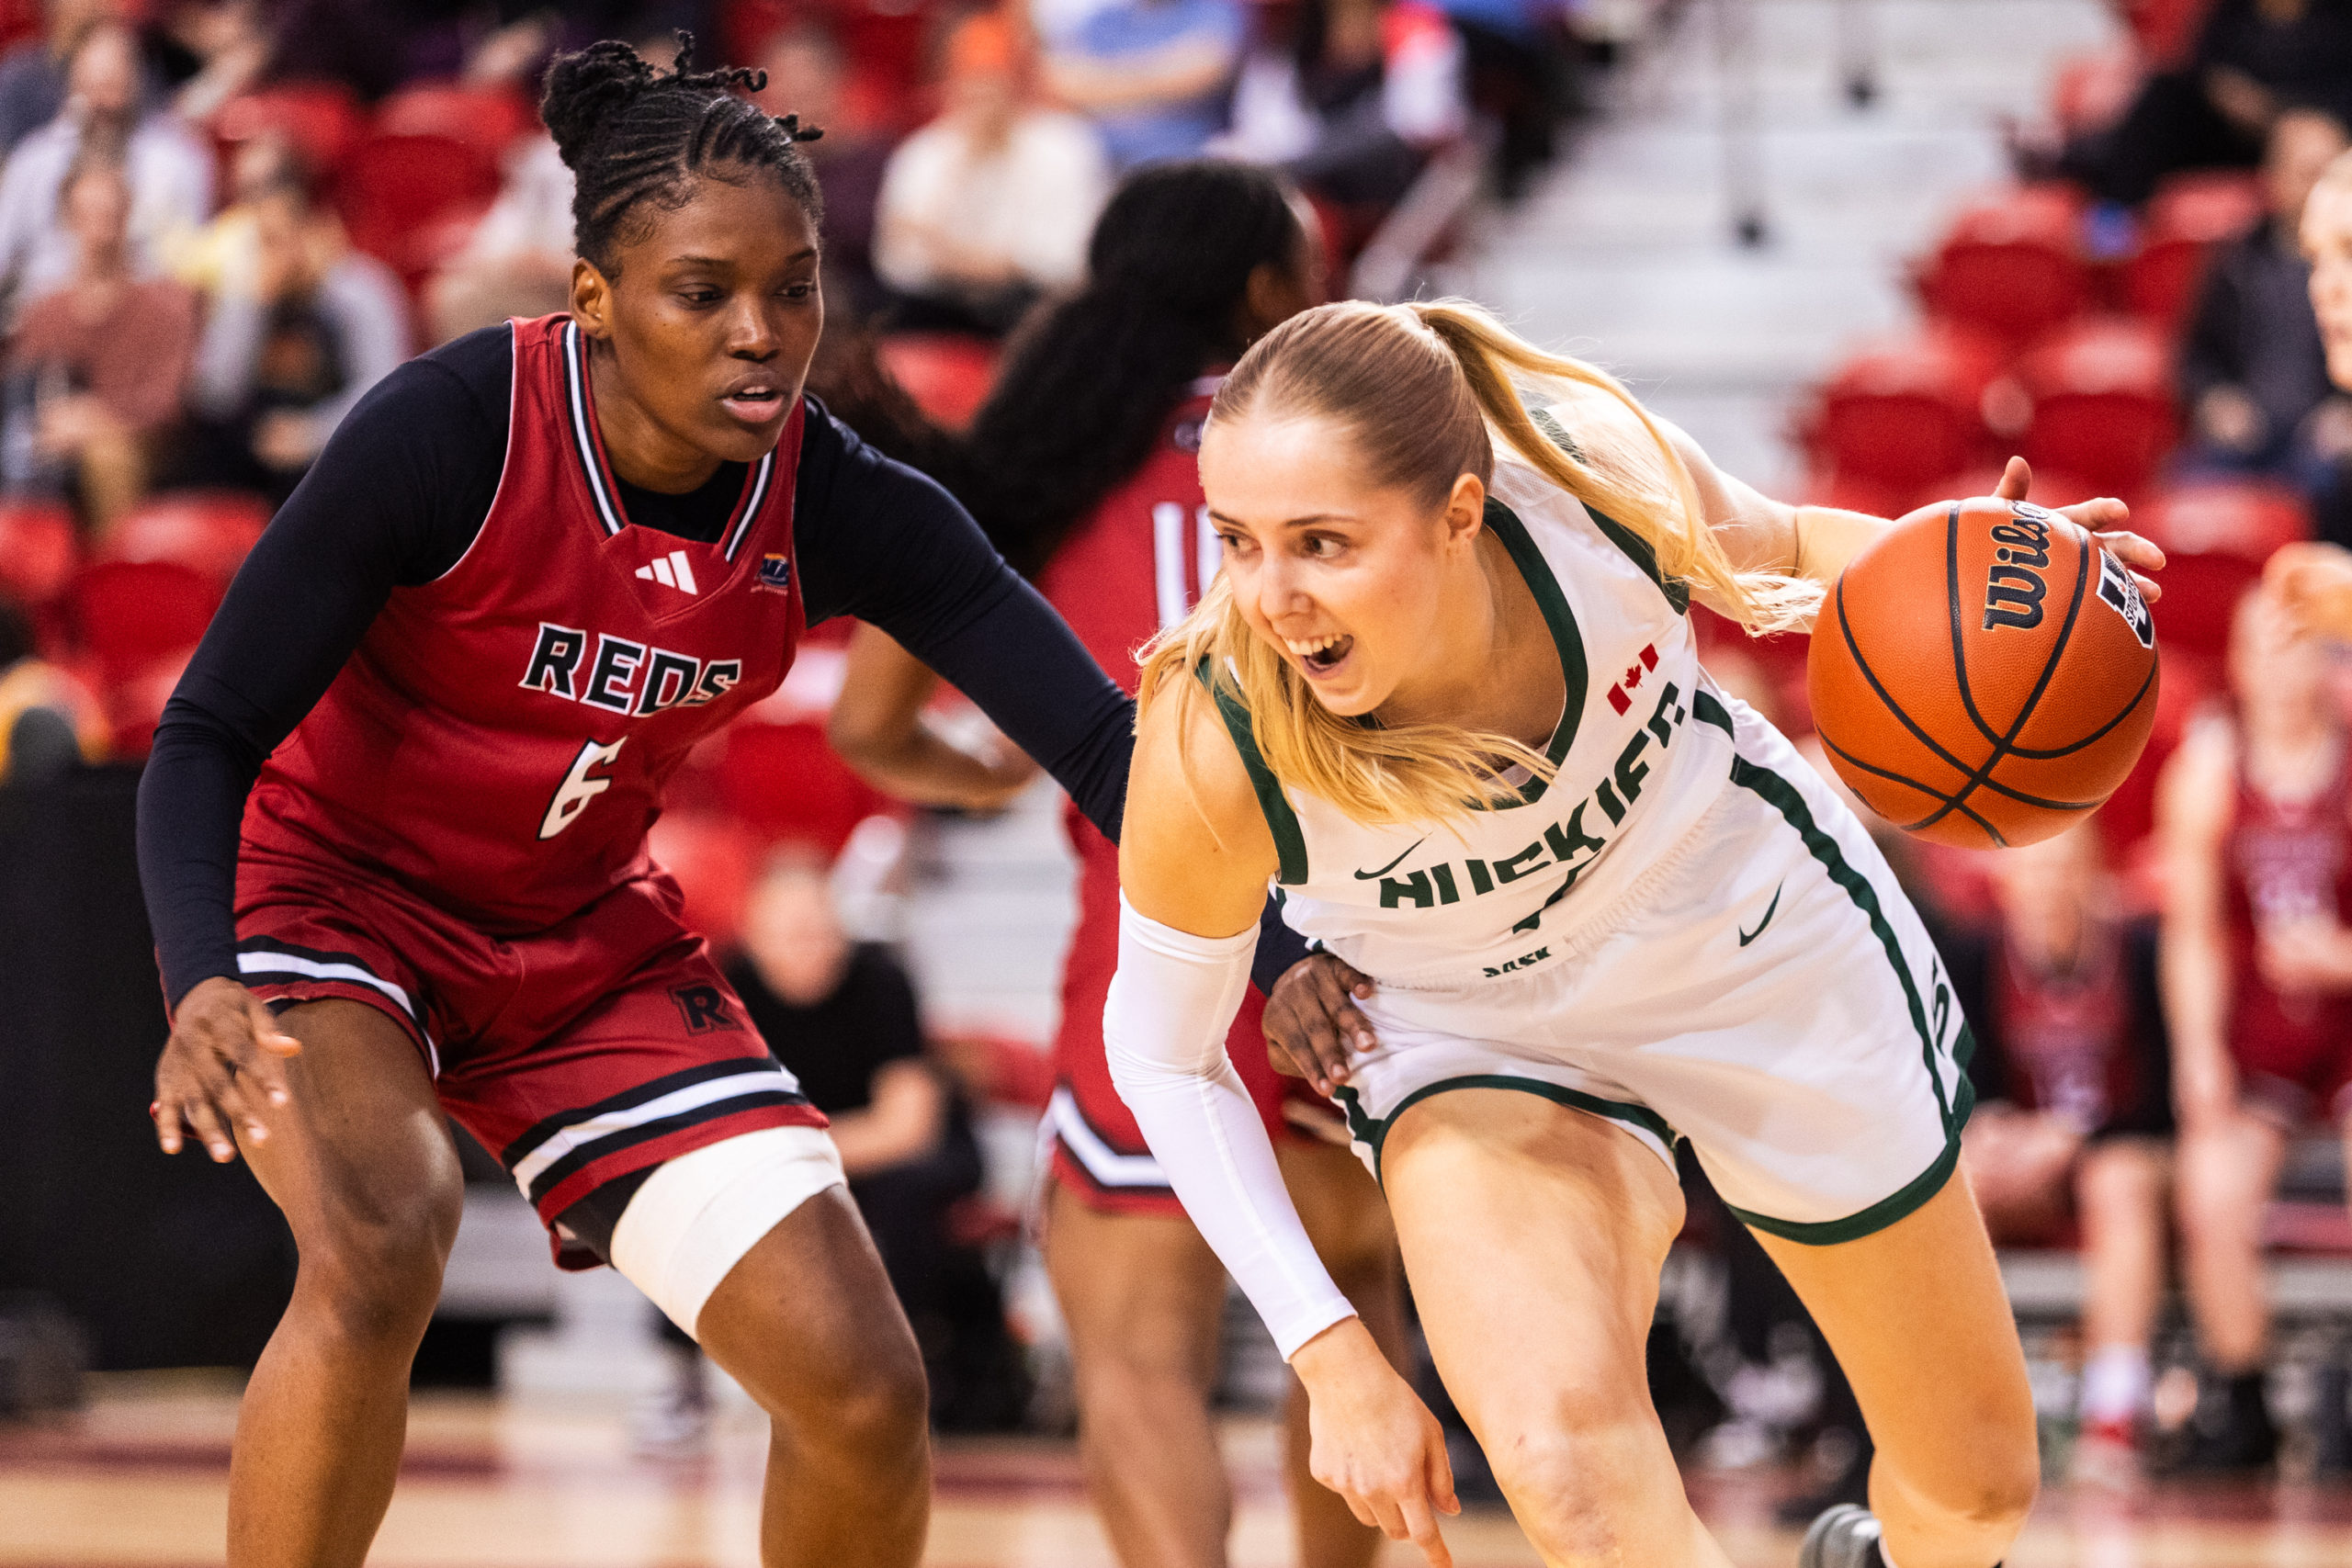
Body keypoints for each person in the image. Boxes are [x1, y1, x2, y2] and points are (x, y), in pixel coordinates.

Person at [131, 39, 1301, 1568]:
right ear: (597, 300)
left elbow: (1100, 744)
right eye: (704, 292)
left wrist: (1291, 953)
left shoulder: (837, 495)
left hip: (576, 944)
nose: (762, 334)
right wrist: (202, 970)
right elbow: (209, 726)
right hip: (335, 899)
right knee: (380, 1234)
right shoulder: (452, 428)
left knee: (866, 1386)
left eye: (797, 288)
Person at [1102, 297, 2164, 1568]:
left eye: (1321, 543)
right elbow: (1164, 1055)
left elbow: (1778, 547)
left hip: (1742, 937)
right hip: (1467, 1027)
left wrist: (1983, 579)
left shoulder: (1583, 475)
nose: (1271, 597)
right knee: (1564, 1468)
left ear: (1459, 507)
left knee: (1977, 1491)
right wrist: (1329, 1350)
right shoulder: (1213, 732)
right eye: (1238, 541)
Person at [829, 160, 1408, 1568]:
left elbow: (866, 727)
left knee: (1137, 1358)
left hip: (1158, 944)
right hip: (1359, 947)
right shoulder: (1345, 453)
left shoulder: (1044, 462)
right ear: (1270, 293)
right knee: (1353, 1317)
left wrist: (1005, 764)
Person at [2156, 586, 2352, 1472]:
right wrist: (2199, 1058)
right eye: (2260, 645)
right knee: (2212, 1184)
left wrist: (2337, 959)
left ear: (2326, 658)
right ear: (2234, 662)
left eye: (2295, 643)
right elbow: (2191, 935)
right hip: (2263, 1031)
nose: (2277, 663)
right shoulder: (2205, 772)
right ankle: (2243, 1399)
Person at [1947, 826, 2173, 1483]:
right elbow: (1962, 1082)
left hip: (2126, 1152)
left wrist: (2074, 1138)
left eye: (2066, 870)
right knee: (1957, 1179)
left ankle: (2114, 1415)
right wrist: (1990, 1127)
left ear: (2095, 878)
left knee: (2119, 1182)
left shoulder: (2140, 951)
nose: (2050, 888)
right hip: (2030, 1162)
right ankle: (1959, 1412)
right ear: (2008, 885)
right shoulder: (1975, 956)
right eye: (2036, 872)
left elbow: (2163, 1099)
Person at [178, 142, 406, 502]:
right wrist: (249, 304)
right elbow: (215, 397)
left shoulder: (360, 291)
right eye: (262, 243)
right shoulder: (249, 291)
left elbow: (384, 391)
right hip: (261, 445)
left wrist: (313, 433)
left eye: (281, 241)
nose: (272, 256)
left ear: (312, 234)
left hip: (335, 444)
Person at [872, 9, 1108, 336]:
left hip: (1027, 308)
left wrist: (956, 254)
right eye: (970, 87)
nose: (981, 100)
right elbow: (898, 262)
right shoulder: (924, 152)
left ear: (1016, 85)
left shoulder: (1065, 146)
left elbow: (1065, 262)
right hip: (940, 306)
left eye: (991, 87)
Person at [5, 152, 198, 529]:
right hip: (50, 442)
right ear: (67, 220)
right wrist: (49, 425)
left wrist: (96, 422)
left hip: (138, 447)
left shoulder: (167, 302)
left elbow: (167, 403)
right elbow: (22, 392)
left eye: (111, 213)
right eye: (88, 213)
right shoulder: (45, 310)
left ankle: (111, 577)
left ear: (127, 216)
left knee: (107, 456)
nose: (100, 226)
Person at [2178, 107, 2349, 483]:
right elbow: (2196, 354)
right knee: (2190, 483)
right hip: (2246, 434)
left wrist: (2346, 411)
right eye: (2307, 175)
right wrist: (2216, 399)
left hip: (2326, 440)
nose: (2319, 190)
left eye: (2331, 176)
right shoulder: (2236, 261)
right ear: (2273, 178)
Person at [0, 19, 211, 318]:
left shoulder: (179, 161)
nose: (104, 104)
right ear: (74, 85)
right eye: (94, 88)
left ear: (136, 84)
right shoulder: (34, 161)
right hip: (45, 320)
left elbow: (193, 264)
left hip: (142, 322)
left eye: (115, 87)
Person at [1034, 0, 1247, 169]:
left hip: (1186, 161)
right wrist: (1157, 75)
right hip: (1103, 161)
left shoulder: (1213, 10)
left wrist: (1101, 83)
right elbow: (1058, 80)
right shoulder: (1105, 21)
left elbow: (1203, 71)